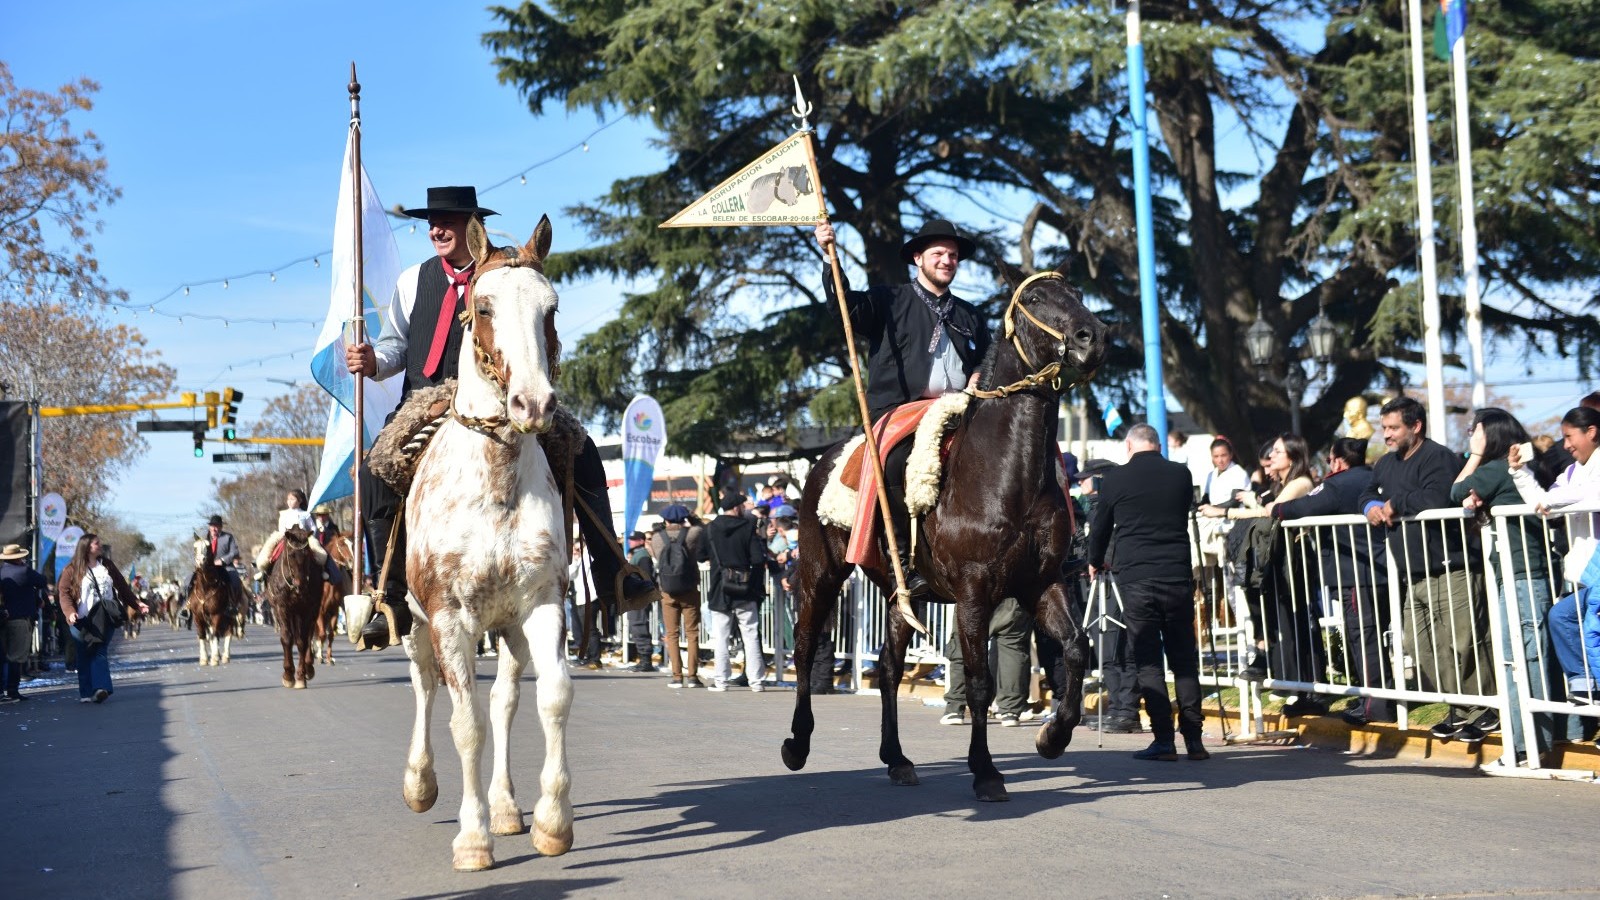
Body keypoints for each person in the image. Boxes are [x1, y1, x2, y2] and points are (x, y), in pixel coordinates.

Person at [345, 184, 656, 648]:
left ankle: (613, 570)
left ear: (473, 228)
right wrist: (374, 361)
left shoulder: (511, 272)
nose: (436, 229)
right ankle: (388, 593)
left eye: (447, 221)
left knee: (583, 450)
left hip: (503, 392)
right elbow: (397, 344)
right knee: (374, 468)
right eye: (431, 222)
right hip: (427, 398)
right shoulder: (413, 281)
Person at [814, 217, 990, 596]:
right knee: (894, 461)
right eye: (939, 253)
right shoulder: (888, 299)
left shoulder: (970, 315)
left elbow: (987, 359)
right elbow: (845, 307)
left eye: (953, 255)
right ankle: (903, 563)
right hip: (899, 411)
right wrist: (830, 257)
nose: (947, 260)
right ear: (918, 258)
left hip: (959, 410)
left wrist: (978, 374)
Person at [1359, 396, 1492, 739]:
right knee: (1419, 646)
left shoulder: (1437, 457)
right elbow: (1365, 492)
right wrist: (1372, 505)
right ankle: (1458, 707)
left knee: (1464, 643)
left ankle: (1485, 709)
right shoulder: (1386, 464)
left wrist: (1395, 503)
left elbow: (1438, 496)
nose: (1386, 435)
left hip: (1452, 565)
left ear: (1415, 426)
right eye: (1384, 428)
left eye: (1393, 428)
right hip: (1412, 572)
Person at [1088, 423, 1209, 761]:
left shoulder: (1115, 479)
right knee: (1184, 658)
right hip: (1176, 575)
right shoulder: (1180, 474)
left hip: (1137, 577)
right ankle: (1195, 740)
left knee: (1148, 661)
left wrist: (1095, 560)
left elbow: (1100, 527)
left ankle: (1164, 741)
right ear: (1157, 445)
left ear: (1129, 446)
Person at [1452, 408, 1559, 753]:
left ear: (1490, 435)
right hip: (1525, 573)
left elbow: (1456, 491)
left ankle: (1527, 745)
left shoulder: (1498, 468)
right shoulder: (1515, 468)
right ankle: (1542, 738)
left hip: (1522, 575)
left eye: (1475, 431)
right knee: (1529, 657)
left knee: (1523, 660)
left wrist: (1477, 454)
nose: (1470, 435)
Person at [1275, 438, 1393, 725]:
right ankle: (1374, 697)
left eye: (1329, 460)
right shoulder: (1372, 477)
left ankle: (1376, 705)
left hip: (1355, 571)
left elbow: (1305, 506)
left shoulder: (1339, 483)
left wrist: (1275, 510)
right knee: (1374, 636)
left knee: (1363, 637)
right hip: (1379, 568)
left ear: (1338, 460)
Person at [1510, 405, 1600, 706]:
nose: (1565, 445)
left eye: (1569, 436)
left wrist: (1552, 499)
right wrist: (1520, 472)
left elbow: (1591, 494)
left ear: (1591, 432)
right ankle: (1587, 688)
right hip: (1588, 573)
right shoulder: (1572, 471)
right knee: (1562, 617)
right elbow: (1543, 504)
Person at [59, 534, 148, 704]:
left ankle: (100, 688)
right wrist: (70, 612)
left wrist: (137, 604)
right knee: (84, 653)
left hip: (104, 617)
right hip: (81, 620)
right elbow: (64, 593)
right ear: (86, 547)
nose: (100, 545)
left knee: (99, 650)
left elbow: (122, 587)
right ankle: (86, 692)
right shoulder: (71, 569)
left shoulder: (107, 565)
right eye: (96, 543)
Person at [704, 490, 768, 692]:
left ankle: (721, 681)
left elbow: (699, 555)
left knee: (721, 637)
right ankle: (756, 682)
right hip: (744, 588)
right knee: (750, 635)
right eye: (742, 505)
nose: (745, 508)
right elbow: (758, 559)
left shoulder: (710, 528)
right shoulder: (748, 527)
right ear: (736, 507)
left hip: (719, 588)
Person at [939, 598, 1035, 727]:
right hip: (1011, 595)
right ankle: (1010, 711)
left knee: (964, 646)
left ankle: (955, 708)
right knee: (1013, 649)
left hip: (971, 595)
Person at [650, 504, 705, 688]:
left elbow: (657, 557)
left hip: (667, 590)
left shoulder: (657, 538)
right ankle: (692, 676)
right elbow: (701, 527)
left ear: (665, 519)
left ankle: (676, 676)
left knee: (672, 634)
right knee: (692, 633)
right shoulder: (692, 533)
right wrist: (693, 517)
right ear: (684, 519)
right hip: (689, 588)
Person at [0, 543, 48, 702]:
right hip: (20, 619)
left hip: (4, 619)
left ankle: (3, 690)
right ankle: (12, 690)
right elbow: (42, 581)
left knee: (4, 656)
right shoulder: (24, 571)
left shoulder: (2, 572)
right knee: (17, 656)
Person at [255, 489, 328, 578]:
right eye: (288, 499)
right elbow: (281, 527)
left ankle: (322, 570)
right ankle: (263, 570)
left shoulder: (305, 514)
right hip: (287, 536)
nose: (289, 501)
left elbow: (313, 527)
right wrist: (286, 535)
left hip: (303, 537)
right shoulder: (283, 513)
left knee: (320, 554)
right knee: (269, 549)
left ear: (300, 501)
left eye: (292, 499)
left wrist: (309, 535)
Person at [184, 515, 244, 606]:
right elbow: (197, 553)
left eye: (217, 526)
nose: (214, 528)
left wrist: (222, 560)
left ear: (221, 527)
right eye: (212, 526)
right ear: (209, 527)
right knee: (188, 580)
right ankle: (187, 605)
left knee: (235, 580)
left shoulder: (228, 537)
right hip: (206, 568)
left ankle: (233, 604)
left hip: (225, 567)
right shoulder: (204, 539)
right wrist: (198, 561)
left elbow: (234, 552)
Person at [622, 532, 657, 673]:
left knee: (639, 625)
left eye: (634, 539)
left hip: (640, 596)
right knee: (636, 625)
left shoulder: (642, 556)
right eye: (630, 539)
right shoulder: (638, 554)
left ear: (641, 541)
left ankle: (645, 660)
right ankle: (643, 659)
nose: (630, 542)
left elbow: (645, 577)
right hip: (637, 595)